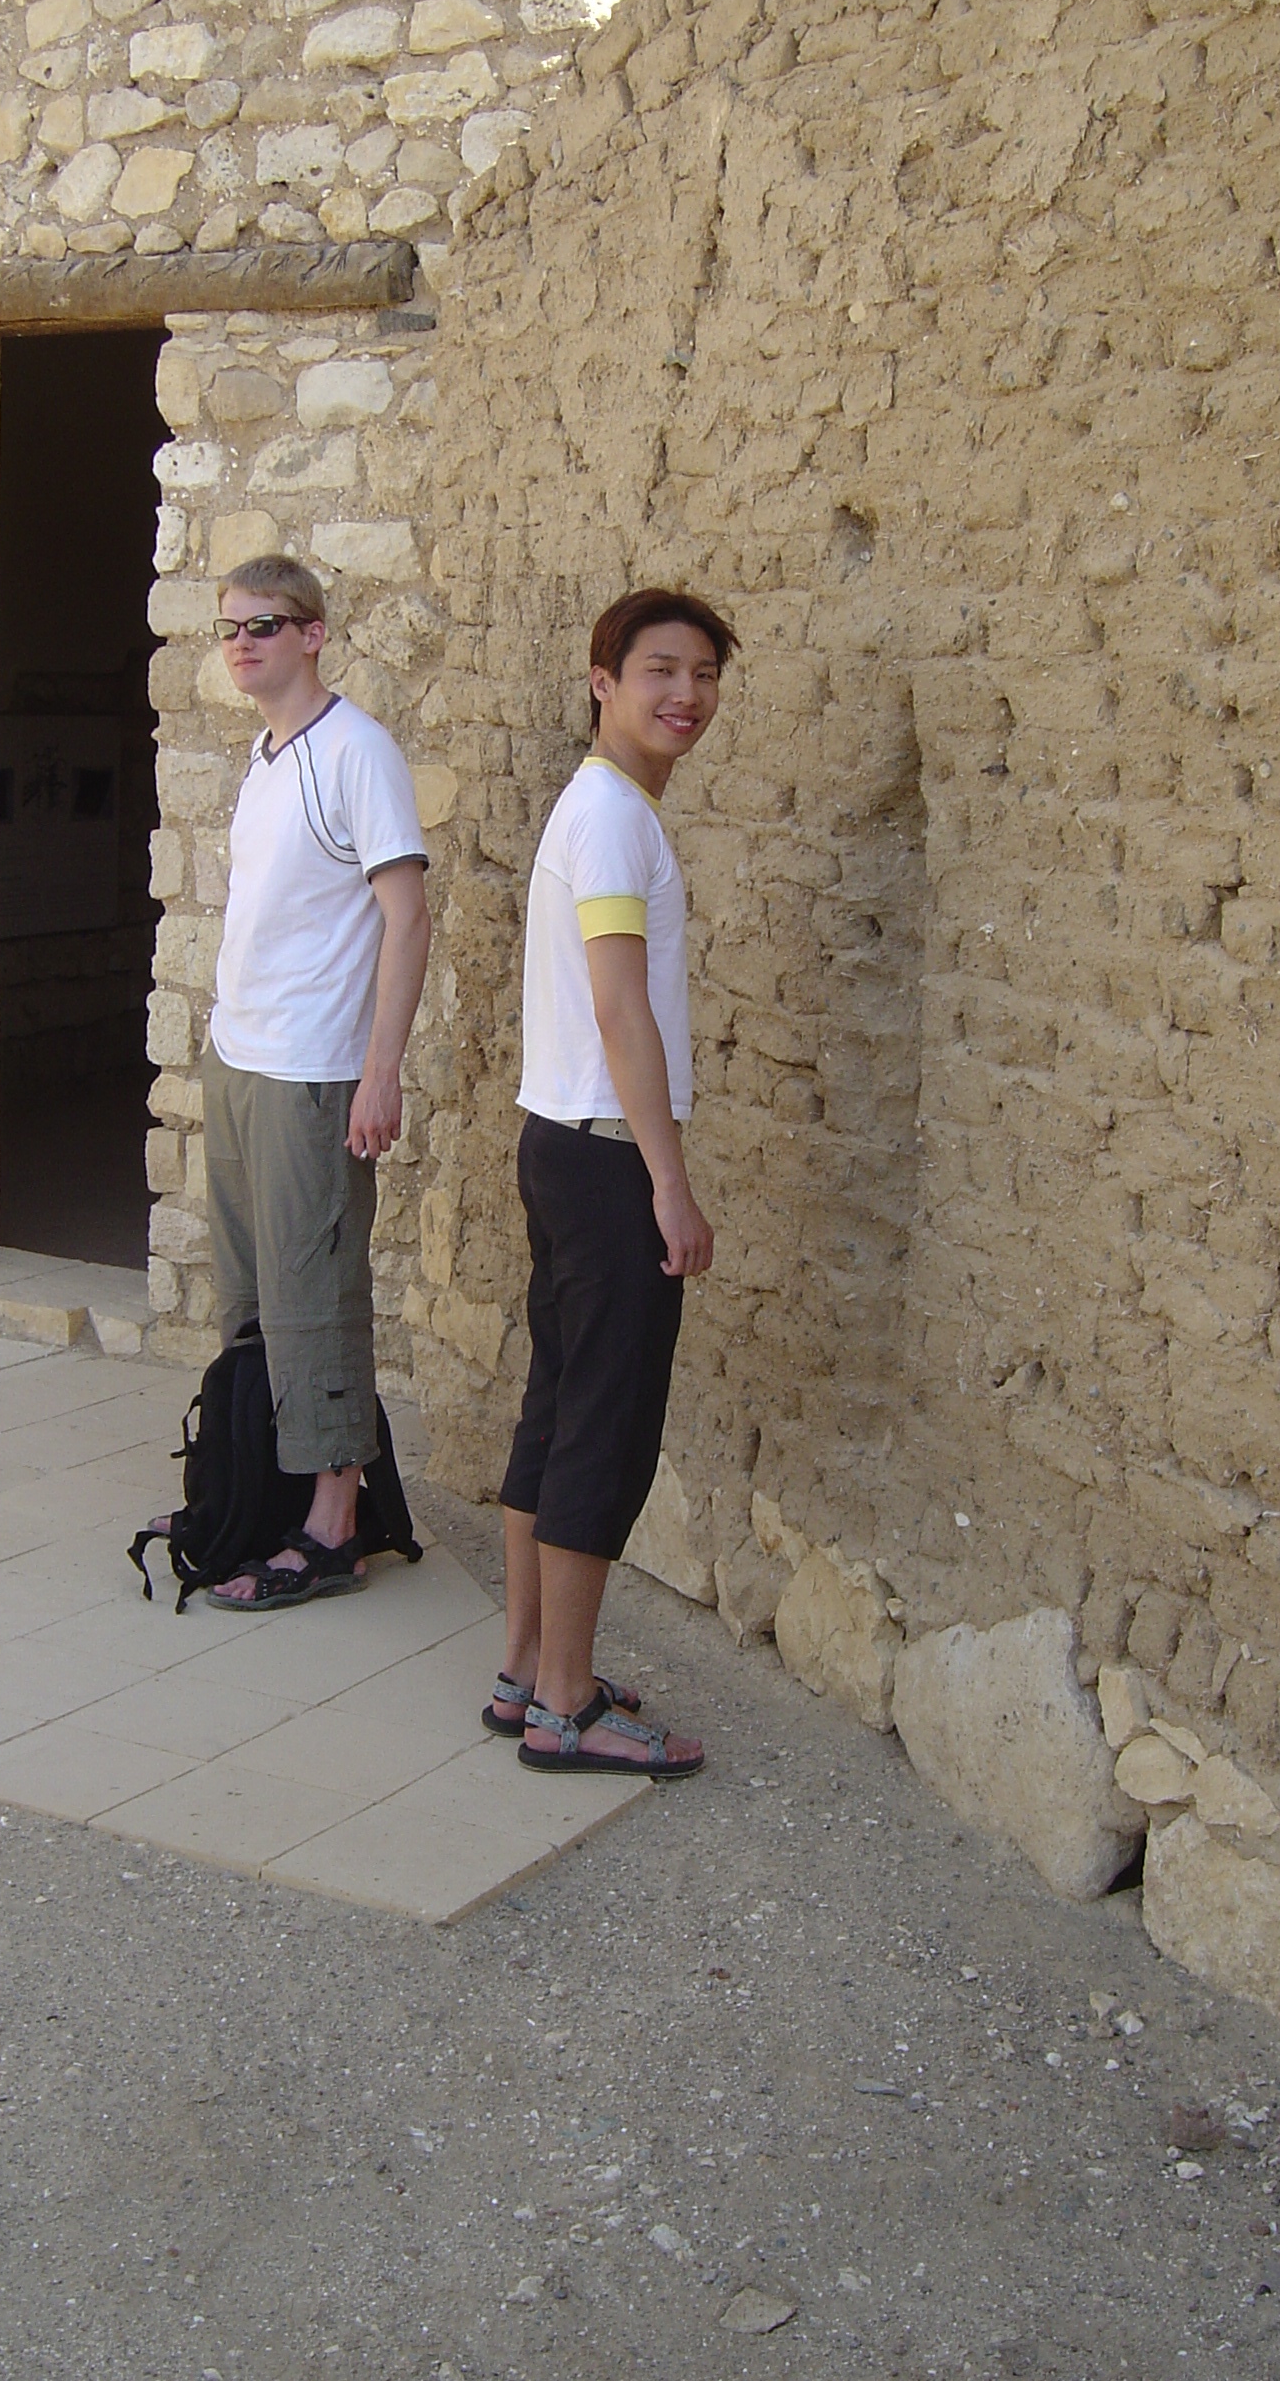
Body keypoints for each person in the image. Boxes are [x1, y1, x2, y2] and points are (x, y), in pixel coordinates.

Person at [491, 586, 737, 1773]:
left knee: (557, 1409)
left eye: (705, 675)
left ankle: (528, 1672)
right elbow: (620, 1005)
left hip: (564, 1140)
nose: (686, 695)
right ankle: (568, 1705)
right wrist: (669, 1185)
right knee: (606, 1425)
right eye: (660, 671)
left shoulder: (605, 808)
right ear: (604, 682)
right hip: (605, 1157)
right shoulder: (612, 818)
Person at [195, 555, 431, 1609]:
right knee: (253, 1295)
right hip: (241, 1058)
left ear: (313, 634)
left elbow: (407, 916)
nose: (243, 644)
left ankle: (336, 1525)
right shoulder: (265, 755)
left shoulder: (356, 752)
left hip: (315, 1073)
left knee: (316, 1297)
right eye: (231, 628)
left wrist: (381, 1073)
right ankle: (264, 1492)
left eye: (265, 625)